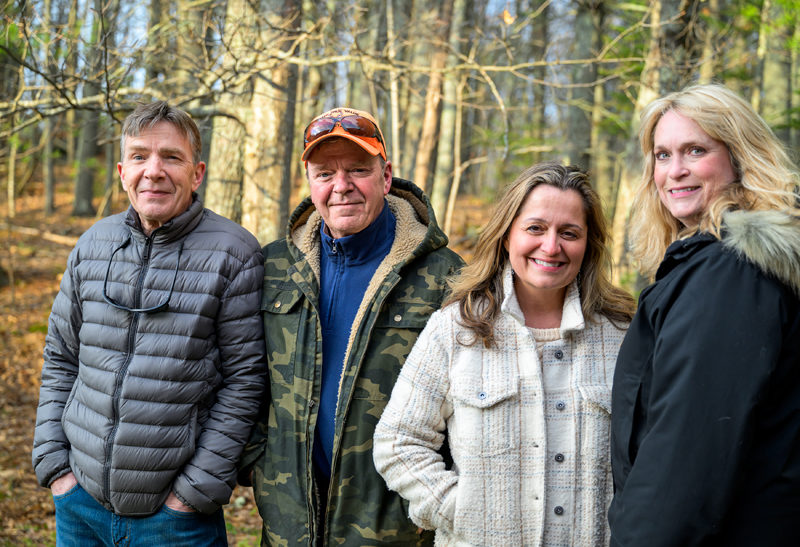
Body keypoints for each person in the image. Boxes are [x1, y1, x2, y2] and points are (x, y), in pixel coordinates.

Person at [32, 101, 267, 546]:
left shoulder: (234, 253)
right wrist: (54, 466)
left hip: (176, 521)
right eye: (140, 156)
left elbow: (246, 381)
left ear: (197, 173)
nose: (154, 171)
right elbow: (61, 358)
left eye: (171, 157)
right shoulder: (92, 245)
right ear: (123, 170)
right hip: (80, 506)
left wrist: (193, 493)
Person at [373, 162, 636, 546]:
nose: (551, 246)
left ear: (588, 243)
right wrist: (460, 511)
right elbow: (398, 442)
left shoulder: (623, 333)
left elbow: (651, 457)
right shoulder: (456, 329)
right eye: (535, 228)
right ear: (506, 234)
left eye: (569, 233)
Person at [237, 107, 463, 545]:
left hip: (390, 525)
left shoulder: (445, 277)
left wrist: (434, 498)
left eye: (358, 169)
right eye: (325, 173)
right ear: (309, 179)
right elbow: (241, 373)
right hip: (289, 523)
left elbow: (465, 404)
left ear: (385, 174)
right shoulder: (274, 267)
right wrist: (260, 466)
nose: (341, 186)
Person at [608, 83, 800, 546]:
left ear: (739, 155)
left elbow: (687, 453)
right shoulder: (706, 263)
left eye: (695, 151)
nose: (675, 171)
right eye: (662, 155)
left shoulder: (731, 273)